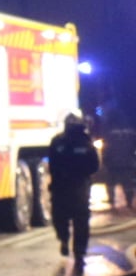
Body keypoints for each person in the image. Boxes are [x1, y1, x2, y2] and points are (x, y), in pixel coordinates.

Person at [47, 111, 99, 264]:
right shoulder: (86, 142)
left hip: (61, 187)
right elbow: (94, 165)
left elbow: (52, 163)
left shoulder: (57, 142)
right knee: (81, 221)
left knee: (60, 217)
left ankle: (64, 239)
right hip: (79, 187)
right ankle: (79, 253)